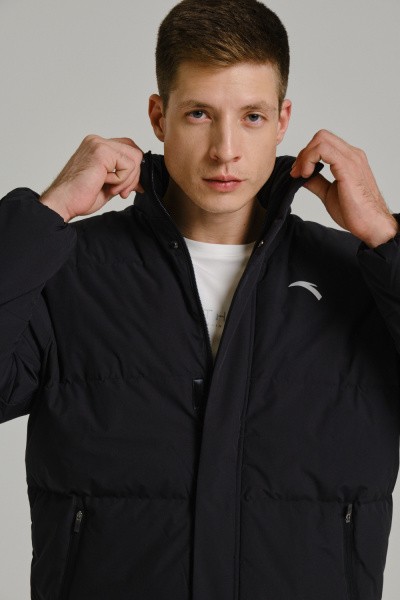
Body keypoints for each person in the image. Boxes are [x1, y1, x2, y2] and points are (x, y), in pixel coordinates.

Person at [1, 0, 399, 598]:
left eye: (253, 116)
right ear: (158, 117)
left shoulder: (360, 279)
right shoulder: (67, 269)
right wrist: (47, 213)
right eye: (198, 114)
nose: (225, 149)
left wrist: (388, 242)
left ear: (284, 120)